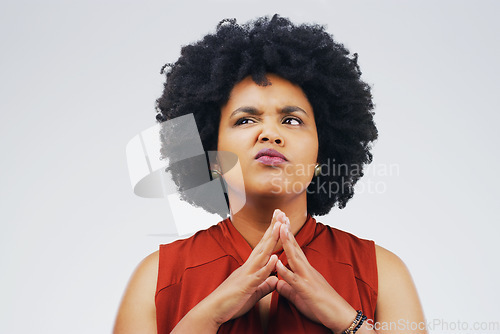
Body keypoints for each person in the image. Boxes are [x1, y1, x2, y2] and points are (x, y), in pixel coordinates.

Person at [114, 15, 427, 334]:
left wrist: (345, 319)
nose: (270, 134)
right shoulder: (157, 278)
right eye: (245, 120)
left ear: (324, 154)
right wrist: (206, 317)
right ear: (212, 157)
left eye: (291, 120)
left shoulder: (382, 273)